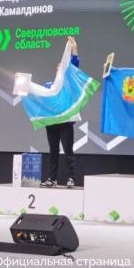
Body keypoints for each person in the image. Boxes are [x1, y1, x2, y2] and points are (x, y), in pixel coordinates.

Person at [41, 36, 80, 188]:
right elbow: (40, 98)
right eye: (60, 67)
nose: (61, 69)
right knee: (53, 151)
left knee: (68, 150)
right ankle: (52, 178)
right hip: (51, 122)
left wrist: (74, 48)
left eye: (64, 68)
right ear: (57, 69)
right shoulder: (48, 85)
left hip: (65, 122)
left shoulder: (68, 84)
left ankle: (71, 178)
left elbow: (75, 66)